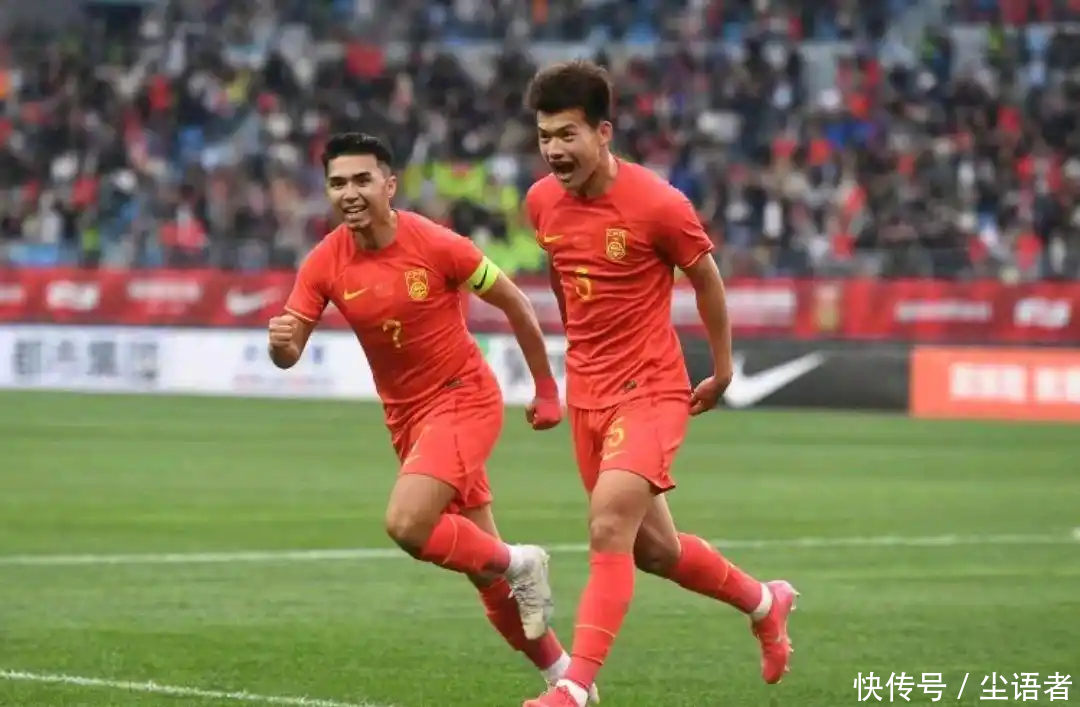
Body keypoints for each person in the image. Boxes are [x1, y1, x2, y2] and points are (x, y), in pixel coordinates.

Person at [267, 132, 597, 702]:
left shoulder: (437, 244)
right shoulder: (324, 261)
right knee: (485, 579)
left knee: (407, 524)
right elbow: (290, 351)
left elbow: (516, 302)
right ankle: (567, 682)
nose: (349, 193)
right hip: (408, 422)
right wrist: (280, 345)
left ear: (390, 185)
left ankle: (522, 561)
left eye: (362, 180)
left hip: (463, 398)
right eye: (338, 183)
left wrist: (547, 389)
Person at [519, 62, 799, 707]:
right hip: (588, 393)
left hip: (650, 389)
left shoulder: (659, 204)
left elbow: (707, 279)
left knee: (607, 526)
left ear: (603, 132)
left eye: (567, 135)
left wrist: (722, 369)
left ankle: (574, 688)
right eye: (544, 137)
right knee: (655, 551)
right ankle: (765, 602)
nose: (555, 150)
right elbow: (563, 272)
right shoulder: (541, 202)